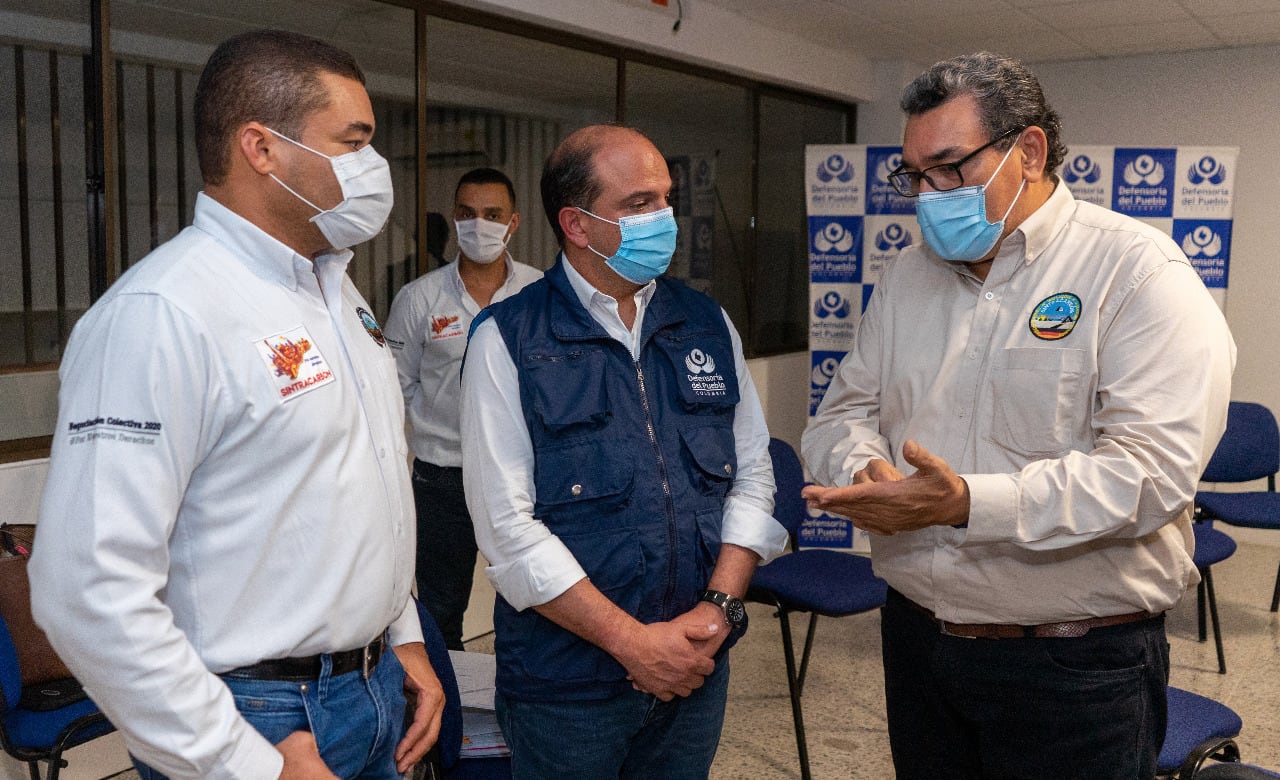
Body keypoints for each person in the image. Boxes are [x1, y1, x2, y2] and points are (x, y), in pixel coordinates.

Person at [801, 52, 1235, 779]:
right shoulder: (907, 278)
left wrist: (965, 504)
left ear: (1028, 151)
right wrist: (865, 472)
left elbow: (1150, 478)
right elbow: (840, 412)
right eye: (915, 175)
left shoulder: (1135, 273)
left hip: (1073, 663)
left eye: (951, 166)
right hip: (920, 641)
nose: (931, 193)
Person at [29, 29, 443, 779]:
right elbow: (86, 590)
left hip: (375, 689)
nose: (374, 169)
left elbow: (365, 479)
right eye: (353, 143)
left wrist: (401, 633)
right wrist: (245, 762)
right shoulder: (163, 312)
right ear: (262, 148)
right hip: (260, 718)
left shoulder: (333, 288)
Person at [459, 124, 787, 778]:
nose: (664, 217)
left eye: (666, 199)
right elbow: (507, 528)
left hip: (696, 668)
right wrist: (634, 645)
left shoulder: (705, 324)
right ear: (577, 226)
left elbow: (752, 477)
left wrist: (718, 610)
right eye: (639, 203)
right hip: (567, 688)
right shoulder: (509, 338)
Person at [384, 168, 542, 651]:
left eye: (492, 215)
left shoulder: (540, 294)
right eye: (468, 214)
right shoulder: (418, 299)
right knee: (439, 609)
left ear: (513, 222)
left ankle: (523, 709)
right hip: (441, 480)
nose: (480, 225)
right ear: (454, 219)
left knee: (530, 602)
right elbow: (395, 386)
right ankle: (444, 714)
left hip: (524, 477)